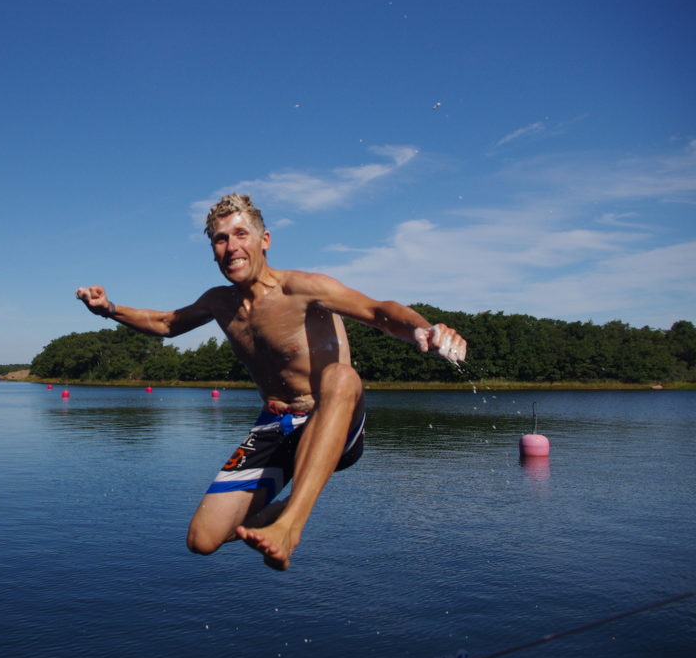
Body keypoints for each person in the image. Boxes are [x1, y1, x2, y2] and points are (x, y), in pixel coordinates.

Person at [76, 193, 466, 570]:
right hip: (275, 426)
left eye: (241, 234)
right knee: (203, 539)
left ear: (265, 241)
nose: (231, 247)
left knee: (340, 375)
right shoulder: (219, 302)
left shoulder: (303, 288)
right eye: (220, 239)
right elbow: (166, 324)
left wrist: (424, 329)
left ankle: (290, 524)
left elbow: (379, 311)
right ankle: (277, 513)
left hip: (333, 418)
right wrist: (109, 309)